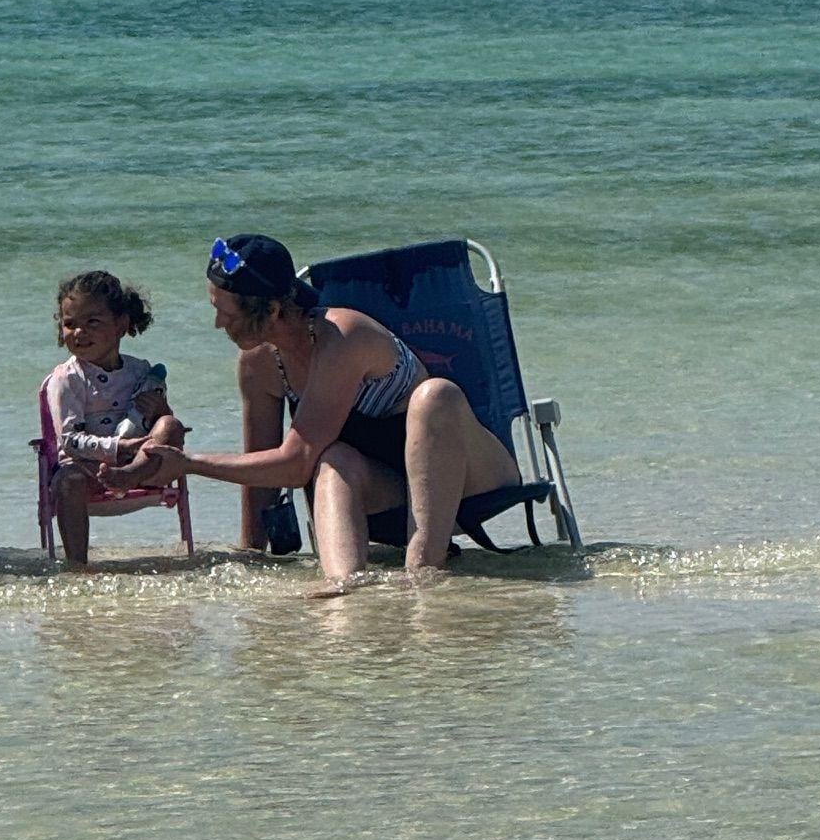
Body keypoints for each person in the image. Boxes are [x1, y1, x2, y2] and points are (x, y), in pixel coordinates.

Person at [125, 233, 518, 593]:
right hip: (390, 487)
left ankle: (422, 574)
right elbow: (263, 471)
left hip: (469, 477)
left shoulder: (345, 336)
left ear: (274, 309)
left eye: (227, 314)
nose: (217, 324)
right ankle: (344, 590)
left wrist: (190, 463)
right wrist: (252, 555)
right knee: (333, 460)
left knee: (435, 395)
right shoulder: (259, 362)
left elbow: (295, 465)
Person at [45, 269, 187, 568]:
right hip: (87, 468)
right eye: (70, 324)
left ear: (122, 324)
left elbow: (156, 429)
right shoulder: (68, 378)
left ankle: (132, 474)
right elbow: (69, 442)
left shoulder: (140, 371)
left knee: (171, 425)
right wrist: (117, 449)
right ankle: (77, 567)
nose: (79, 332)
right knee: (66, 481)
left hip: (141, 464)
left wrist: (160, 410)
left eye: (92, 322)